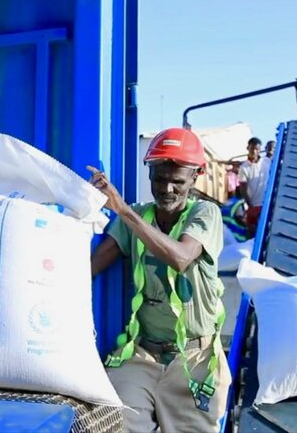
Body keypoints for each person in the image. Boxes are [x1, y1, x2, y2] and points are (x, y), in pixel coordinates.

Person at [89, 127, 230, 432]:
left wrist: (123, 211)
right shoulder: (139, 216)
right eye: (159, 179)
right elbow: (93, 265)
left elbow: (180, 257)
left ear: (196, 177)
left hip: (194, 361)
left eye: (177, 182)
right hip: (143, 355)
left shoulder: (206, 213)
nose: (167, 189)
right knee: (110, 421)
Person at [238, 137, 267, 236]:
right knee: (253, 234)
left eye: (257, 149)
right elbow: (243, 189)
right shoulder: (243, 168)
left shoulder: (267, 162)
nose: (254, 152)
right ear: (248, 148)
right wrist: (251, 207)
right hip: (253, 206)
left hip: (266, 204)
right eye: (252, 149)